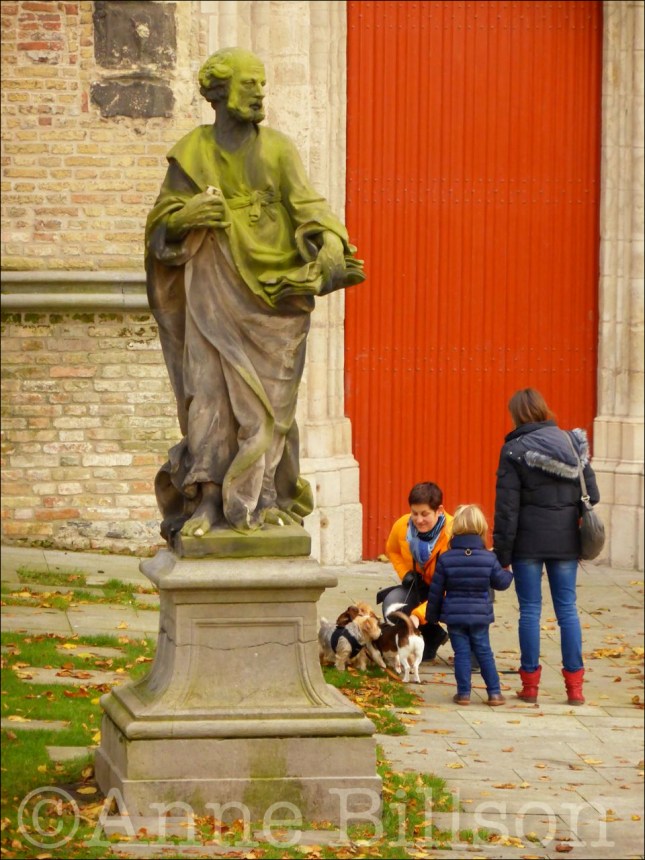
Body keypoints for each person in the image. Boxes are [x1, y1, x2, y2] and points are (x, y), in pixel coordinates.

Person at [145, 47, 365, 540]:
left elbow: (312, 209)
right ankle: (206, 501)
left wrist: (330, 244)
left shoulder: (279, 150)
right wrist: (187, 218)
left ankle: (261, 501)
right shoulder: (193, 152)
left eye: (263, 84)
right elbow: (161, 225)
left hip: (274, 302)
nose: (260, 92)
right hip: (211, 295)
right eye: (250, 84)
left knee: (269, 408)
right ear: (220, 93)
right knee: (208, 398)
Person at [493, 388, 600, 706]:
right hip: (566, 541)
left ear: (517, 414)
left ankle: (529, 686)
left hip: (527, 542)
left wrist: (502, 553)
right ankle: (575, 688)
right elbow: (591, 494)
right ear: (543, 409)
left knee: (529, 611)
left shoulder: (513, 450)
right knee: (567, 610)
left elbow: (507, 508)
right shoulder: (572, 443)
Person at [426, 504, 513, 706]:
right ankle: (494, 693)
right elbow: (500, 583)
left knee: (461, 653)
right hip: (480, 615)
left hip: (455, 616)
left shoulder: (446, 559)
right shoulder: (489, 558)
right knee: (484, 651)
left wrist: (432, 616)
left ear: (454, 528)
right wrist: (508, 571)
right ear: (482, 528)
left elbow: (436, 591)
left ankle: (464, 694)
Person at [382, 482, 453, 661]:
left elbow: (447, 591)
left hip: (452, 591)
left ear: (439, 510)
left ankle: (472, 649)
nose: (418, 520)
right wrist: (405, 573)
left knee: (461, 608)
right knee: (393, 605)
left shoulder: (453, 534)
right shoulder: (402, 526)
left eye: (425, 514)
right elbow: (392, 550)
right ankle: (433, 636)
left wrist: (417, 616)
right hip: (421, 587)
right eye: (414, 513)